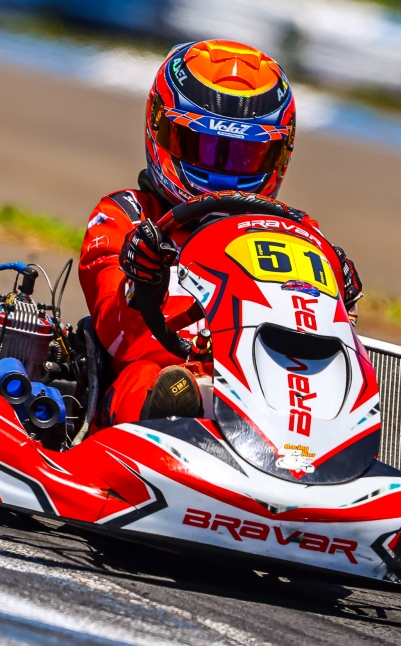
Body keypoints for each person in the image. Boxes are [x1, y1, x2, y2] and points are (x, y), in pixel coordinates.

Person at [78, 39, 362, 427]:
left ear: (278, 155)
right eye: (202, 148)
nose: (220, 176)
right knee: (149, 380)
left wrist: (342, 295)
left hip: (271, 388)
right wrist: (143, 284)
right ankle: (182, 415)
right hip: (157, 388)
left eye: (244, 156)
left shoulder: (299, 232)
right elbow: (119, 340)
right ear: (160, 128)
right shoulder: (126, 216)